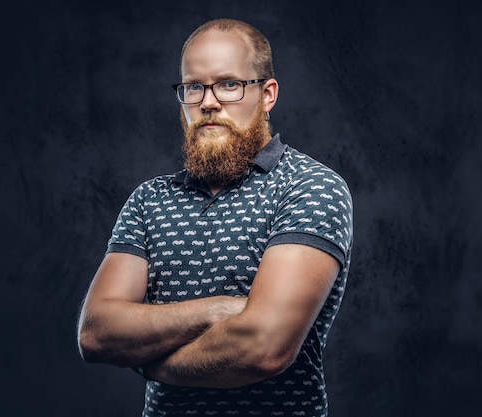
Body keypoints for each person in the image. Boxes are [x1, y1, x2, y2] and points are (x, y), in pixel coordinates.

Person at [77, 18, 353, 417]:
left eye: (229, 84)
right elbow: (97, 332)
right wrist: (219, 309)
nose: (208, 102)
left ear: (267, 94)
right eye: (193, 87)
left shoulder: (309, 186)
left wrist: (152, 365)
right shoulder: (149, 200)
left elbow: (263, 347)